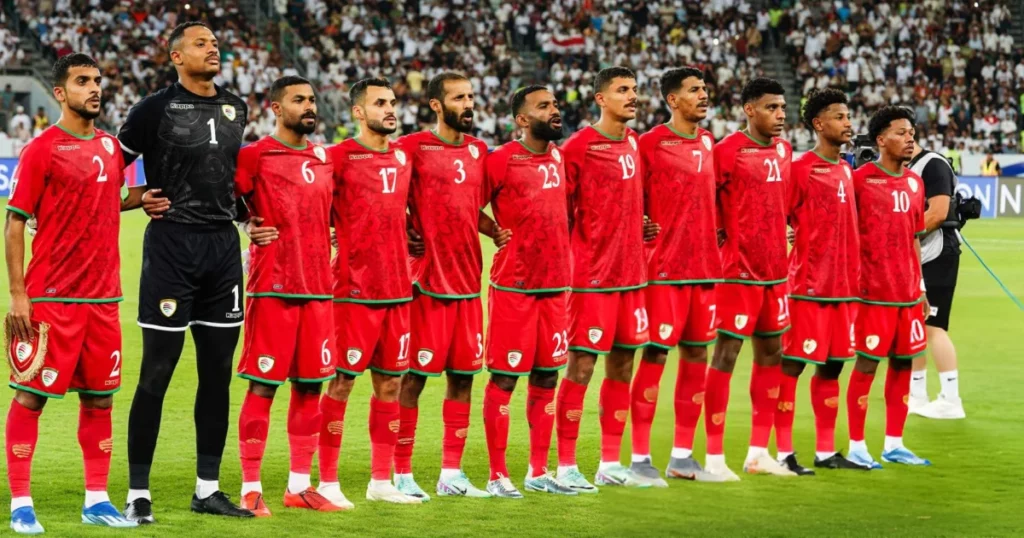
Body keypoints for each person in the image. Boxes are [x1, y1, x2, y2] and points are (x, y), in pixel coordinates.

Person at [118, 22, 258, 522]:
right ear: (176, 56)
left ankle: (207, 489)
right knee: (156, 373)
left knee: (217, 376)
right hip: (172, 249)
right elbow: (106, 173)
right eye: (201, 43)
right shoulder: (152, 109)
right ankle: (138, 494)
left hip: (223, 252)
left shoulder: (237, 107)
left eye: (216, 42)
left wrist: (250, 217)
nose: (213, 47)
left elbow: (231, 181)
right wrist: (137, 199)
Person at [4, 53, 137, 534]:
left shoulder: (109, 147)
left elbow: (109, 201)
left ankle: (97, 500)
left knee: (100, 400)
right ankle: (21, 502)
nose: (94, 88)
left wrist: (144, 199)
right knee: (31, 397)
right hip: (52, 298)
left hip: (103, 300)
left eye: (97, 80)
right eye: (82, 81)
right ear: (59, 93)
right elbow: (15, 221)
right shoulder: (42, 148)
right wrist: (19, 295)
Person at [232, 76, 347, 516]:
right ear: (276, 109)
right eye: (299, 100)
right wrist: (247, 225)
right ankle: (250, 486)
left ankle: (299, 485)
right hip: (274, 286)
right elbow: (227, 200)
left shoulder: (322, 157)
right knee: (263, 387)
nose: (309, 106)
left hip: (319, 289)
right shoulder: (254, 155)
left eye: (312, 99)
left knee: (309, 388)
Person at [556, 66, 658, 491]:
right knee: (581, 366)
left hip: (632, 277)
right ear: (601, 99)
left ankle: (610, 463)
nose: (632, 97)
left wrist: (641, 223)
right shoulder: (579, 146)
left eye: (634, 90)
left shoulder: (634, 142)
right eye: (622, 90)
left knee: (622, 365)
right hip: (592, 279)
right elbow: (559, 210)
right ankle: (565, 466)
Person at [320, 77, 420, 505]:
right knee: (342, 383)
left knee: (391, 385)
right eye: (380, 103)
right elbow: (315, 206)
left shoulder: (402, 157)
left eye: (393, 102)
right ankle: (327, 481)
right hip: (353, 290)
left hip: (397, 289)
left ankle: (381, 482)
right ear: (358, 112)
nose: (389, 109)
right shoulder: (339, 157)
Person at [394, 72, 494, 500]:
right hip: (428, 281)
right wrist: (402, 227)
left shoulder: (478, 150)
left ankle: (451, 474)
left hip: (469, 282)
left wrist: (496, 230)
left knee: (464, 378)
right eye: (459, 97)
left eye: (471, 96)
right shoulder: (412, 148)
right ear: (436, 105)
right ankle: (399, 472)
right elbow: (386, 194)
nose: (469, 103)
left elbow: (474, 206)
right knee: (414, 378)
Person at [481, 85, 577, 499]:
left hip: (556, 287)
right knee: (505, 378)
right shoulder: (500, 160)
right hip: (514, 287)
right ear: (521, 119)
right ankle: (497, 474)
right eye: (544, 107)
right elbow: (467, 206)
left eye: (555, 104)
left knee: (546, 376)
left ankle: (539, 470)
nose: (555, 111)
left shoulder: (560, 156)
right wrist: (494, 231)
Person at [634, 67, 721, 483]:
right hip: (664, 269)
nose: (703, 95)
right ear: (672, 100)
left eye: (704, 89)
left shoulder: (708, 140)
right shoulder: (649, 143)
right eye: (693, 90)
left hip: (704, 267)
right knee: (655, 354)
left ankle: (683, 456)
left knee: (697, 355)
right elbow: (629, 197)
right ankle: (638, 457)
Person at [704, 77, 794, 480]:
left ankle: (758, 452)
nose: (780, 115)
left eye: (783, 108)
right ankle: (713, 455)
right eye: (772, 108)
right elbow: (705, 201)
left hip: (776, 271)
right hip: (738, 271)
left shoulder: (785, 151)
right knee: (726, 354)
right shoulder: (726, 152)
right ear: (749, 110)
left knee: (772, 352)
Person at [773, 88, 867, 474]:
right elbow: (776, 214)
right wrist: (789, 236)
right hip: (808, 287)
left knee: (832, 367)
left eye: (848, 117)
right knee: (792, 366)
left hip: (843, 289)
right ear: (818, 124)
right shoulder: (800, 168)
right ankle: (781, 452)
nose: (848, 123)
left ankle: (826, 452)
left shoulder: (845, 168)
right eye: (840, 117)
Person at [847, 106, 931, 468]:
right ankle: (856, 445)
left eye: (911, 131)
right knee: (867, 365)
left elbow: (914, 237)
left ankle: (894, 443)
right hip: (872, 294)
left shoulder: (915, 182)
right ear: (881, 140)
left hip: (908, 294)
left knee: (902, 364)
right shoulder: (860, 180)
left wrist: (922, 286)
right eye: (901, 132)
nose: (909, 137)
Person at [909, 141, 965, 419]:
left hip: (938, 252)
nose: (905, 137)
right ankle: (917, 395)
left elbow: (937, 213)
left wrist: (897, 236)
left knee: (933, 326)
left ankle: (951, 399)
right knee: (914, 325)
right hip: (917, 254)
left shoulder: (933, 164)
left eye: (908, 131)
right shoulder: (905, 166)